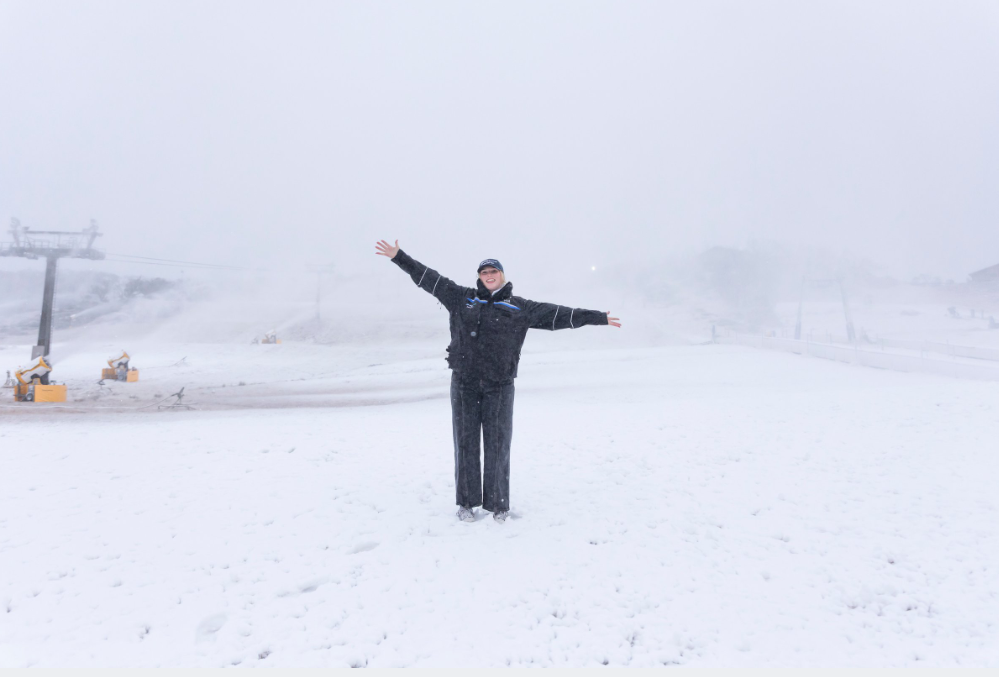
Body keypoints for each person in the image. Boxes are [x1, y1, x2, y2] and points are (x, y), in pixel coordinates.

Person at [376, 239, 621, 523]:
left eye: (493, 271)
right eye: (484, 272)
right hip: (465, 383)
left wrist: (598, 318)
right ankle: (466, 503)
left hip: (500, 385)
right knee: (465, 443)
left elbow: (560, 315)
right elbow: (430, 279)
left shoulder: (520, 307)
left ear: (502, 275)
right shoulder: (462, 298)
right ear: (479, 277)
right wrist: (399, 256)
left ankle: (499, 505)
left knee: (498, 444)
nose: (489, 275)